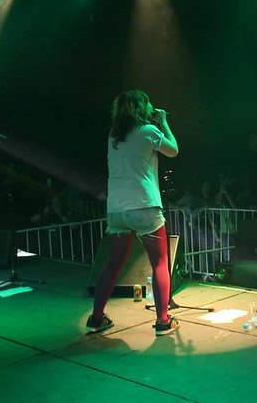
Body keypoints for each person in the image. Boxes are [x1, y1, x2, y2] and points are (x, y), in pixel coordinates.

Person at [86, 90, 180, 336]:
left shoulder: (113, 135)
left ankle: (96, 318)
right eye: (148, 104)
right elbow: (173, 150)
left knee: (113, 264)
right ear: (141, 108)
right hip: (144, 207)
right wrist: (163, 122)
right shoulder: (148, 131)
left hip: (117, 209)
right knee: (159, 263)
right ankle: (163, 321)